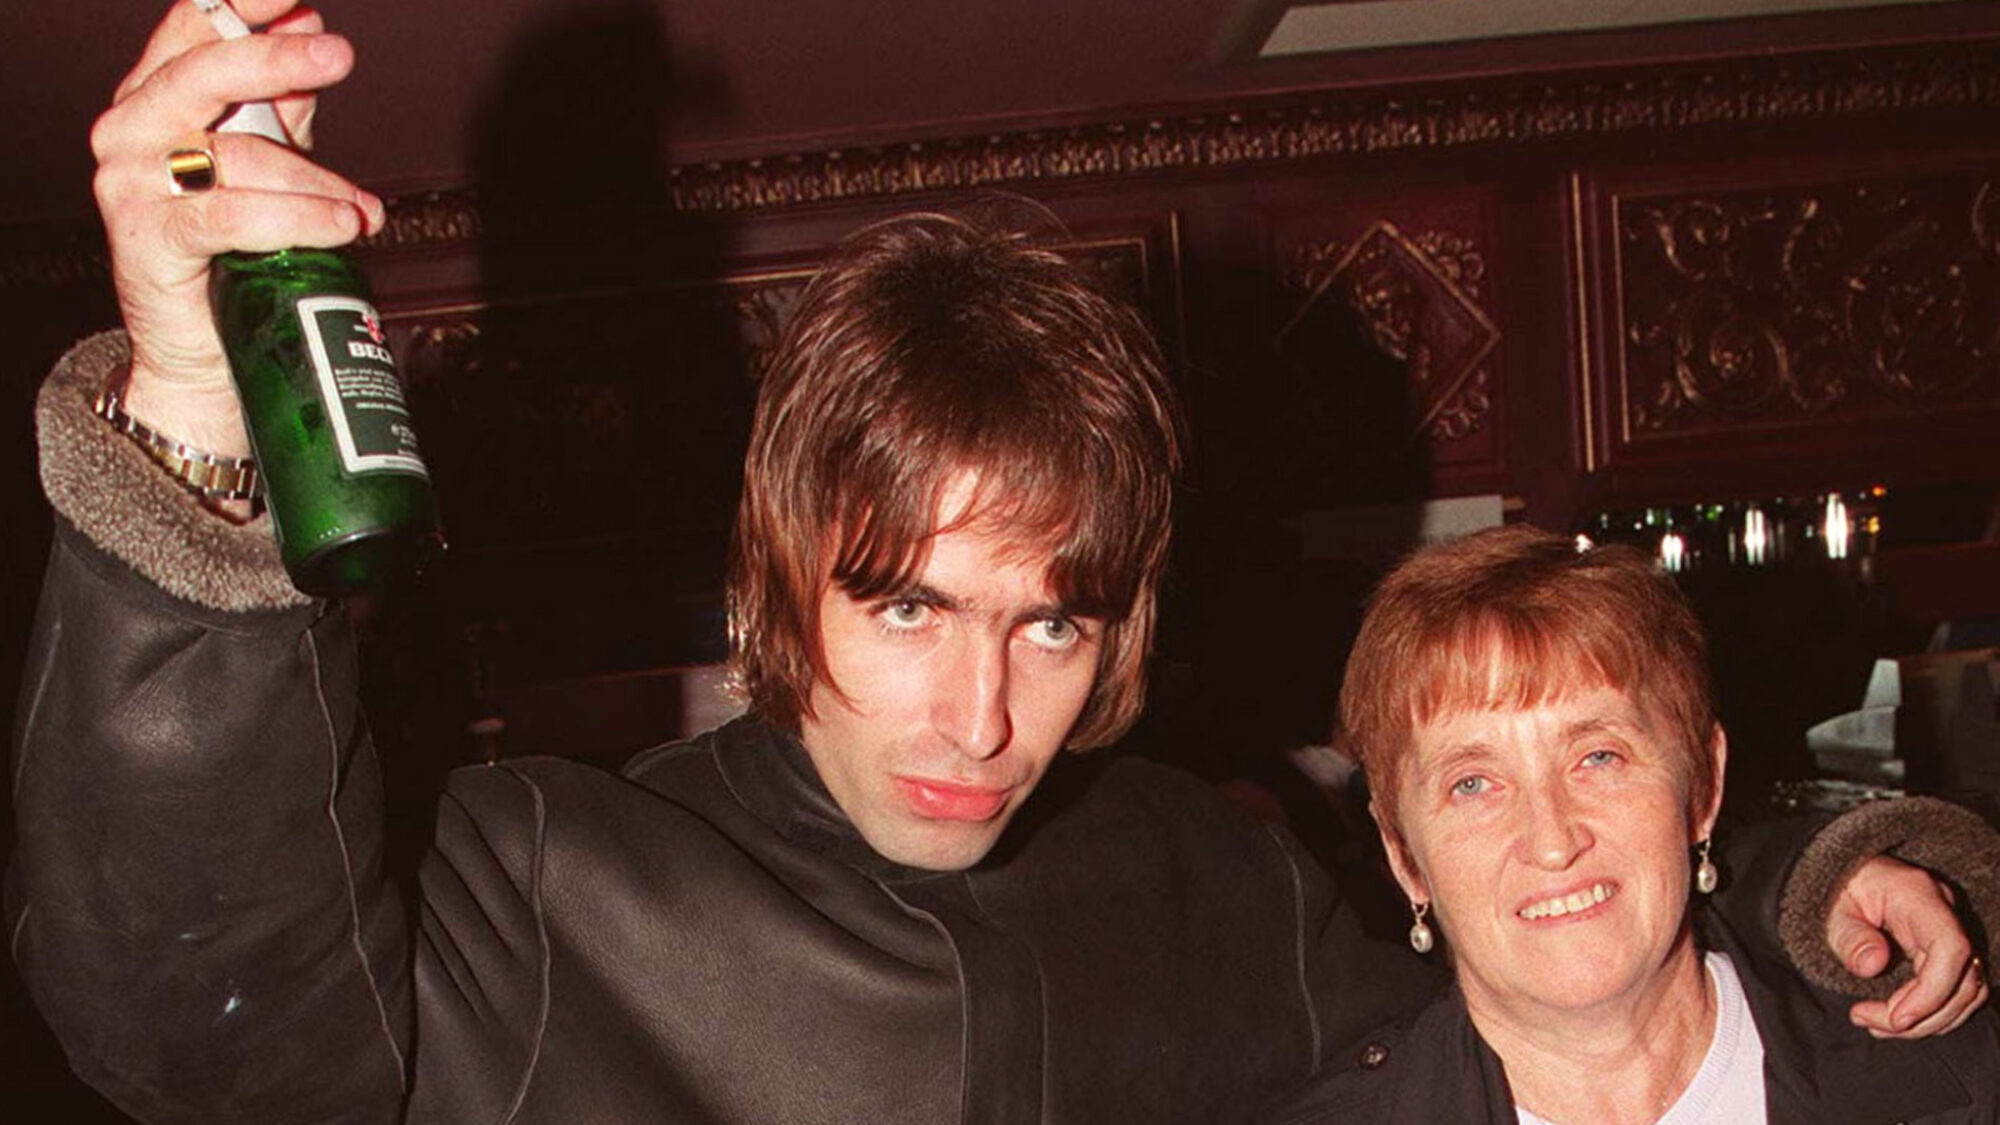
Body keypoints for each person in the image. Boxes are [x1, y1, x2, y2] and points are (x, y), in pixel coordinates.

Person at [5, 3, 1990, 1122]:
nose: (978, 717)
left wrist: (1818, 881)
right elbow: (189, 1021)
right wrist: (192, 402)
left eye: (1053, 622)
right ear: (775, 590)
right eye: (906, 606)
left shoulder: (1207, 881)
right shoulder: (546, 887)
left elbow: (1528, 953)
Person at [1261, 526, 1999, 1124]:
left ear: (1702, 785)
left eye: (1598, 756)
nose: (1553, 840)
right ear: (1402, 854)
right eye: (1473, 783)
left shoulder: (1955, 1076)